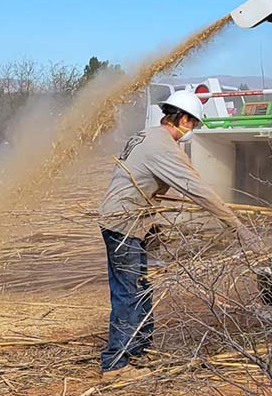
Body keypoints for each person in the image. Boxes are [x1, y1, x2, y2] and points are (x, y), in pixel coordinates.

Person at [95, 89, 260, 375]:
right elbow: (197, 189)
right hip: (124, 224)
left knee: (141, 287)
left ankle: (138, 349)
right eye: (193, 122)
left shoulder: (146, 134)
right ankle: (115, 363)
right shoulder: (163, 147)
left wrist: (151, 221)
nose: (193, 128)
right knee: (127, 292)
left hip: (129, 220)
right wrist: (237, 225)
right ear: (181, 118)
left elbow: (139, 181)